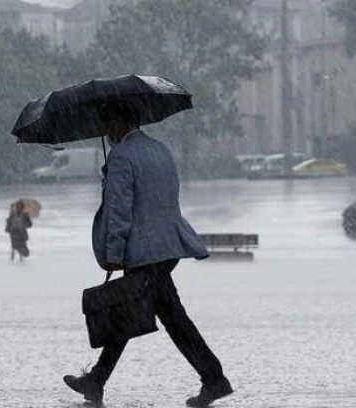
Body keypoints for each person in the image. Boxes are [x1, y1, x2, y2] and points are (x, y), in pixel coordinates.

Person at [63, 102, 232, 407]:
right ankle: (97, 380)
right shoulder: (160, 150)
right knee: (132, 312)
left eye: (106, 123)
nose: (105, 131)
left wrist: (113, 253)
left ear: (117, 122)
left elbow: (119, 211)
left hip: (144, 252)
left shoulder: (122, 157)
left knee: (165, 318)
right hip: (167, 246)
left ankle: (215, 379)